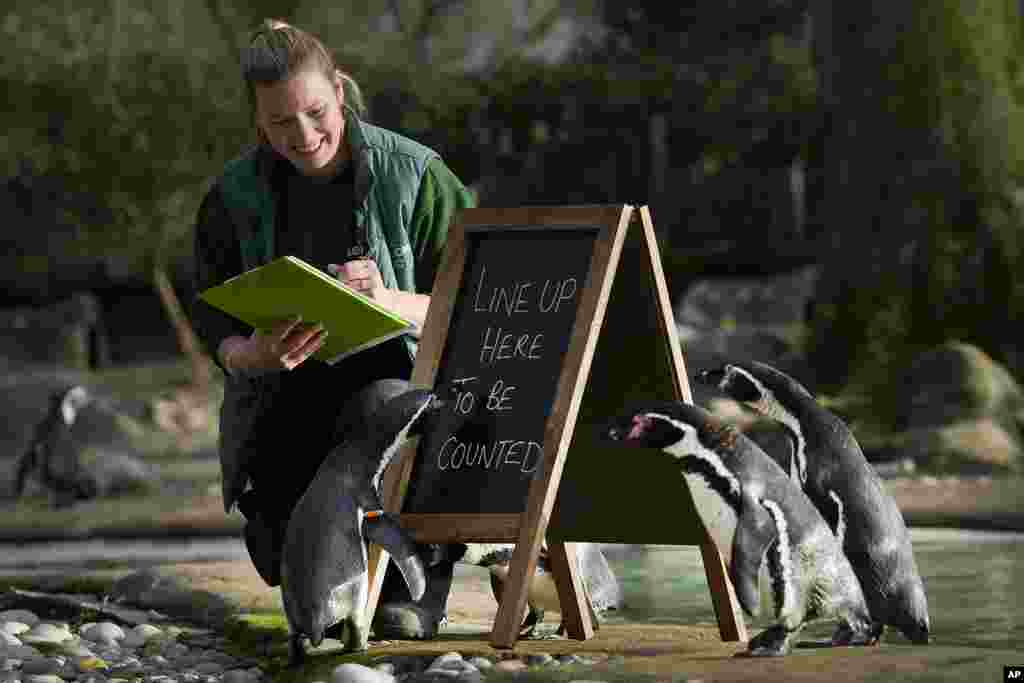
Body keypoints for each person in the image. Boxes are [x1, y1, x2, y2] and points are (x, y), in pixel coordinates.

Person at [189, 18, 475, 641]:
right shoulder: (231, 195)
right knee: (284, 559)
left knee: (381, 410)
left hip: (402, 393)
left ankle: (414, 585)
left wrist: (390, 300)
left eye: (315, 112)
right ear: (258, 122)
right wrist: (250, 354)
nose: (304, 135)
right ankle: (325, 574)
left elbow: (484, 296)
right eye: (280, 124)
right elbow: (211, 316)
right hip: (284, 394)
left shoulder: (418, 176)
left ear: (339, 93)